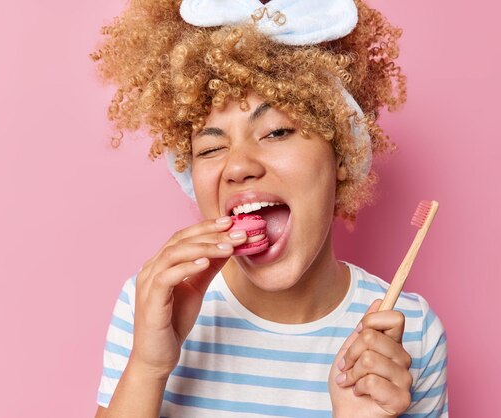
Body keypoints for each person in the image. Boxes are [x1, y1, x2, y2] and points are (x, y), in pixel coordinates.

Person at [90, 0, 448, 417]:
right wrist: (149, 368)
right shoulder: (154, 306)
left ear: (343, 153)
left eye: (276, 131)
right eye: (210, 147)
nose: (238, 166)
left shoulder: (408, 332)